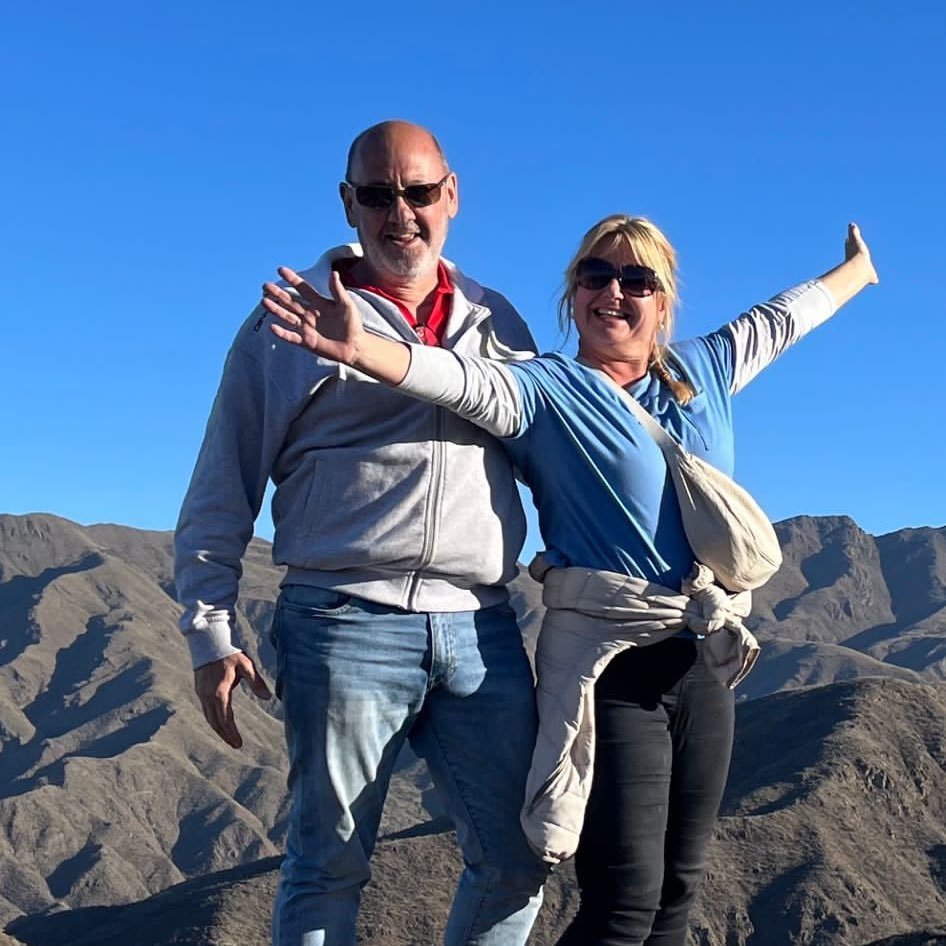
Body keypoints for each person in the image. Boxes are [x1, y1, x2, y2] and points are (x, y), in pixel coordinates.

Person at [262, 214, 879, 946]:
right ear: (573, 291)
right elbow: (458, 381)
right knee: (625, 899)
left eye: (636, 280)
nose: (614, 292)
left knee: (680, 887)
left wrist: (857, 272)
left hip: (703, 654)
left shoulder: (702, 371)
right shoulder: (546, 391)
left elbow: (781, 320)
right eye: (596, 275)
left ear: (663, 300)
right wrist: (364, 348)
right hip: (608, 663)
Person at [174, 120, 550, 946]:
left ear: (451, 195)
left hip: (482, 627)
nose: (400, 213)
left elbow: (546, 457)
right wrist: (209, 629)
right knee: (327, 867)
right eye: (378, 195)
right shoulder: (286, 318)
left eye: (417, 193)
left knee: (521, 858)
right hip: (342, 621)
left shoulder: (499, 323)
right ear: (348, 204)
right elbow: (222, 479)